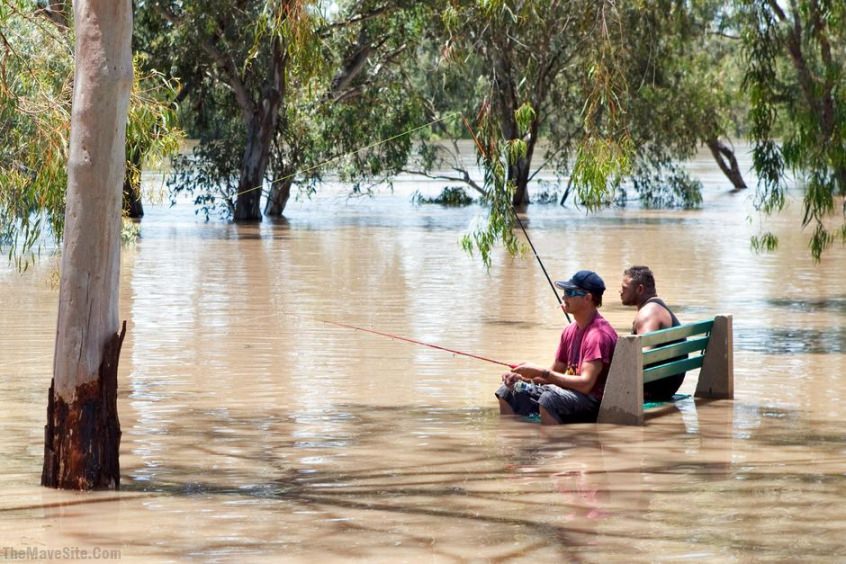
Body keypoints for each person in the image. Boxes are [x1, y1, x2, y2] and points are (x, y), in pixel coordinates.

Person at [495, 270, 618, 424]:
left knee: (550, 399)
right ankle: (517, 443)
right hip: (568, 394)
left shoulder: (598, 335)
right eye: (564, 292)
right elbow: (554, 373)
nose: (564, 297)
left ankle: (551, 446)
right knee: (508, 390)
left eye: (570, 292)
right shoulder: (569, 331)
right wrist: (524, 378)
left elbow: (586, 385)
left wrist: (543, 372)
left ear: (588, 298)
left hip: (591, 402)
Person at [619, 265, 685, 401]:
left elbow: (640, 357)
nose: (620, 291)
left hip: (654, 389)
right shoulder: (658, 307)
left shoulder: (648, 313)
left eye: (625, 288)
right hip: (668, 384)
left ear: (640, 289)